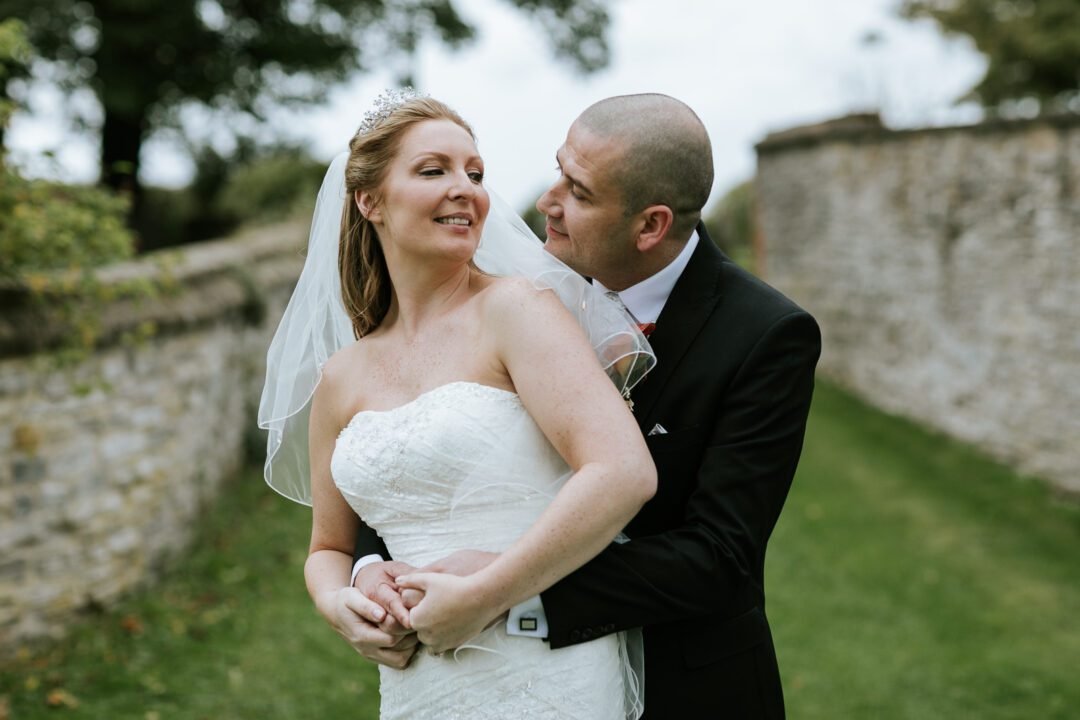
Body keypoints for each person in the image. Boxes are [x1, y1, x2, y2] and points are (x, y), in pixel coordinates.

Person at [342, 93, 823, 719]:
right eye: (558, 172)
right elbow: (415, 450)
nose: (548, 201)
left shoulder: (764, 333)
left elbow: (719, 557)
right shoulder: (510, 291)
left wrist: (504, 591)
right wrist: (364, 572)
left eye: (580, 192)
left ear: (649, 226)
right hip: (473, 676)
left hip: (689, 686)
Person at [259, 91, 659, 719]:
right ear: (369, 201)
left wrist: (484, 596)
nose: (465, 189)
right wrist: (343, 605)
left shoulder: (516, 311)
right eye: (432, 170)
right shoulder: (340, 376)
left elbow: (623, 472)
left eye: (475, 173)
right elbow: (329, 549)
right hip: (421, 685)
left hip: (546, 669)